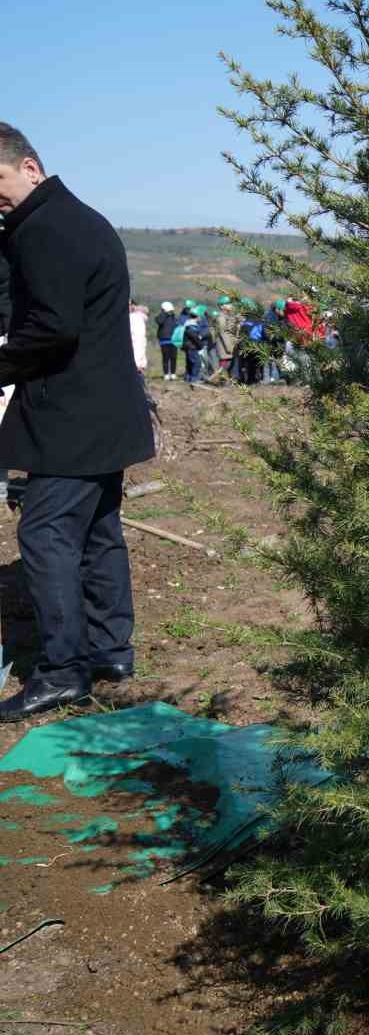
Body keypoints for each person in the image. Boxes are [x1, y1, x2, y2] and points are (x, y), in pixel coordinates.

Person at [0, 124, 157, 722]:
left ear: (31, 168)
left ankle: (62, 671)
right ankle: (112, 652)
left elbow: (51, 328)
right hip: (104, 408)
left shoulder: (47, 229)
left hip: (71, 414)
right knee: (97, 532)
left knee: (45, 537)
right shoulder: (72, 219)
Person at [154, 300, 179, 380]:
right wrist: (165, 313)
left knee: (173, 357)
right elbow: (159, 321)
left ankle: (173, 373)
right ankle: (166, 374)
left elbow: (176, 325)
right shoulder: (160, 317)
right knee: (166, 357)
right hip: (164, 340)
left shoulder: (173, 317)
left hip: (173, 340)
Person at [128, 301, 149, 376]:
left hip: (136, 363)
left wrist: (137, 363)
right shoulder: (137, 318)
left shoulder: (135, 318)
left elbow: (137, 341)